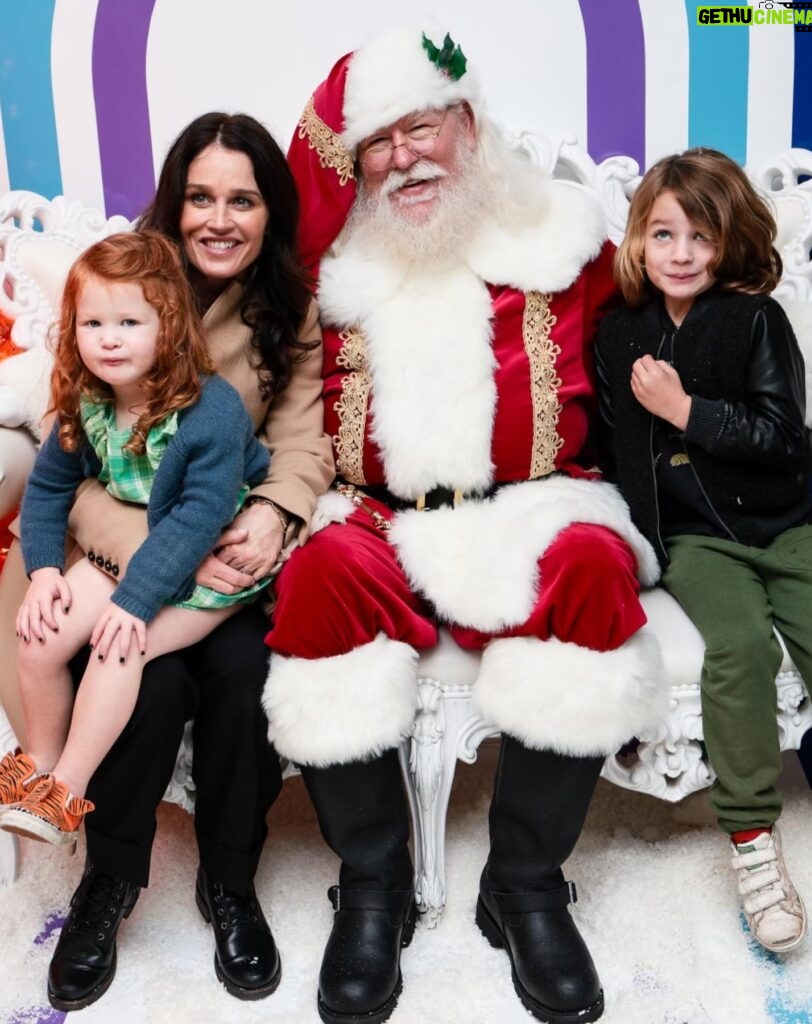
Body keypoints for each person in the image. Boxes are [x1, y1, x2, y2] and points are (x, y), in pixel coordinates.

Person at [264, 28, 668, 1024]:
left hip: (534, 504)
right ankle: (373, 881)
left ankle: (524, 881)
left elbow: (684, 301)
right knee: (314, 586)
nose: (403, 154)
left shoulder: (558, 235)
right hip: (373, 514)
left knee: (591, 571)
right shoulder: (332, 257)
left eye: (422, 125)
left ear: (470, 125)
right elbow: (293, 176)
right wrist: (378, 70)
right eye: (380, 139)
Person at [0, 113, 334, 1009]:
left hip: (225, 552)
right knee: (139, 680)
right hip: (122, 548)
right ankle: (107, 881)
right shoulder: (125, 289)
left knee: (244, 677)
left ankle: (229, 879)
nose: (219, 218)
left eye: (243, 199)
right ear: (172, 204)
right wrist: (145, 560)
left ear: (270, 212)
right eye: (200, 197)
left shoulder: (287, 309)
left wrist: (269, 516)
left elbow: (302, 443)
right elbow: (68, 469)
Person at [595, 148, 812, 954]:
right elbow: (612, 447)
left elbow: (781, 437)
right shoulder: (618, 334)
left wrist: (686, 410)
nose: (680, 253)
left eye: (699, 236)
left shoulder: (755, 318)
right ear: (637, 241)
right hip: (694, 543)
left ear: (726, 244)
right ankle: (754, 843)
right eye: (663, 234)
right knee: (736, 648)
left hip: (784, 525)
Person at [0, 230, 271, 847]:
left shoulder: (212, 410)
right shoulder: (87, 400)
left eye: (128, 321)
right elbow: (47, 492)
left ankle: (66, 792)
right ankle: (41, 762)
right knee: (41, 636)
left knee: (119, 644)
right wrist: (44, 571)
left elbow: (197, 521)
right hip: (129, 539)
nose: (110, 338)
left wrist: (133, 602)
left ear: (168, 325)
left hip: (207, 555)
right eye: (93, 322)